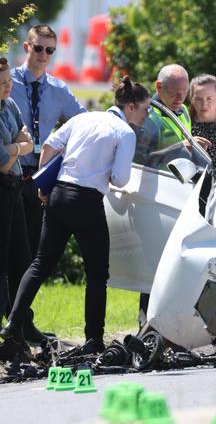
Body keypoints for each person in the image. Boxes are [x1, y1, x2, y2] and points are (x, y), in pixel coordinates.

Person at [0, 77, 151, 354]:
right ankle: (94, 338)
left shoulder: (84, 119)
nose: (146, 114)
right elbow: (119, 178)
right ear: (130, 107)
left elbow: (47, 146)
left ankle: (13, 324)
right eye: (145, 109)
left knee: (40, 264)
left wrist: (42, 184)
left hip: (59, 194)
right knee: (96, 274)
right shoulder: (124, 132)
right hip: (87, 202)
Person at [11, 25, 85, 265]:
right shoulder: (7, 82)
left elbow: (83, 123)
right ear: (27, 47)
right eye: (39, 48)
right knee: (9, 242)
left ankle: (21, 303)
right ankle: (6, 302)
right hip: (11, 170)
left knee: (33, 245)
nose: (44, 55)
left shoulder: (59, 90)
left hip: (40, 175)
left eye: (50, 50)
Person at [0, 57, 34, 336]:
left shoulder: (10, 106)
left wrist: (12, 148)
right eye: (1, 83)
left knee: (22, 258)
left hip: (15, 186)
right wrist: (18, 147)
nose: (7, 87)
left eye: (9, 81)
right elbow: (1, 164)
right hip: (1, 185)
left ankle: (21, 323)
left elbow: (29, 141)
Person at [135, 63, 210, 165]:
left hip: (180, 178)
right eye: (174, 92)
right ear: (159, 86)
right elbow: (142, 162)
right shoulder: (147, 118)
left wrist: (194, 150)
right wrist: (181, 147)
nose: (180, 99)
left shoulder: (183, 110)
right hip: (157, 179)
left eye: (184, 91)